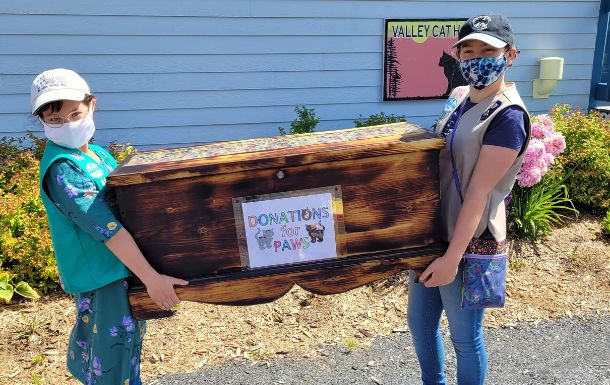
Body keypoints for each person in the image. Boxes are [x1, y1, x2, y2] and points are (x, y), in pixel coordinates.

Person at [32, 68, 189, 385]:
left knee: (123, 351)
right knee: (111, 361)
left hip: (121, 271)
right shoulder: (63, 168)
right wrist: (152, 278)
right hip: (104, 278)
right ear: (43, 121)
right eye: (56, 121)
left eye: (76, 114)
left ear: (92, 105)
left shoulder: (97, 153)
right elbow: (109, 230)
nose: (68, 125)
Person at [407, 14, 531, 385]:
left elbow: (479, 191)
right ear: (457, 55)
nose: (477, 59)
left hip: (470, 241)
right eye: (469, 50)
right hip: (435, 231)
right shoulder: (461, 99)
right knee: (420, 324)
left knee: (465, 337)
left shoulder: (508, 116)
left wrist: (452, 258)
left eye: (487, 50)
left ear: (509, 55)